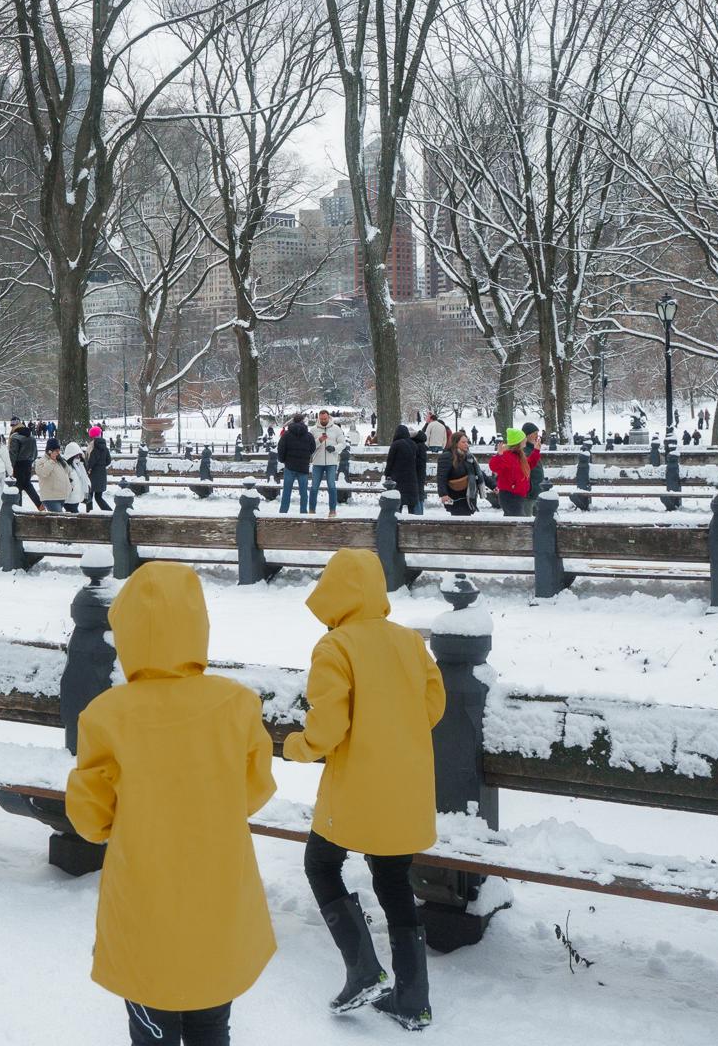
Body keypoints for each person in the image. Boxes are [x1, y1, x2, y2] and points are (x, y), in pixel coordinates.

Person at [64, 562, 276, 1046]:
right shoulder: (236, 704)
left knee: (152, 1025)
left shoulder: (106, 715)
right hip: (218, 895)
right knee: (211, 1025)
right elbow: (255, 790)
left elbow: (91, 818)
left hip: (144, 901)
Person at [283, 549, 444, 1030]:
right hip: (406, 783)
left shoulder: (336, 647)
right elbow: (433, 702)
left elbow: (328, 726)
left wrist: (298, 745)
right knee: (393, 880)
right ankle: (413, 998)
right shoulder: (409, 641)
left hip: (356, 786)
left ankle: (363, 969)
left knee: (321, 863)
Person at [277, 413, 317, 514]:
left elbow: (281, 448)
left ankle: (283, 512)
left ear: (293, 421)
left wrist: (282, 460)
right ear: (303, 422)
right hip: (303, 467)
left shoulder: (286, 435)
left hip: (290, 466)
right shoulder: (308, 435)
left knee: (287, 491)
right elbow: (312, 448)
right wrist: (306, 457)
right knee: (303, 492)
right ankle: (303, 512)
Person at [312, 410, 348, 517]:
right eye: (321, 419)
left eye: (325, 419)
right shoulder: (313, 430)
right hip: (317, 462)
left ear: (329, 418)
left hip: (331, 462)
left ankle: (332, 510)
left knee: (331, 486)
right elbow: (310, 446)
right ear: (319, 418)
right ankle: (312, 510)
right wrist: (319, 440)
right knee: (314, 487)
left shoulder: (336, 429)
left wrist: (334, 448)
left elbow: (343, 443)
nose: (323, 420)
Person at [489, 429, 532, 516]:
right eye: (523, 439)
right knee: (518, 522)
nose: (525, 440)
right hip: (510, 495)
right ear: (518, 442)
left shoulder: (519, 455)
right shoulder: (507, 455)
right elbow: (493, 467)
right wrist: (499, 455)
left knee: (515, 522)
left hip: (518, 495)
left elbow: (528, 467)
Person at [436, 431, 479, 515]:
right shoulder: (447, 456)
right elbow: (441, 477)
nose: (467, 444)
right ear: (455, 443)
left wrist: (493, 486)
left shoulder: (469, 457)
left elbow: (479, 472)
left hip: (467, 495)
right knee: (459, 522)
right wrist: (443, 494)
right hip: (455, 496)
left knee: (465, 521)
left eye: (467, 442)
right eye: (463, 442)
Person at [383, 424, 421, 515]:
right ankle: (412, 524)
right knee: (411, 505)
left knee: (397, 503)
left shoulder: (395, 445)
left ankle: (397, 523)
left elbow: (390, 461)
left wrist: (387, 474)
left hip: (397, 478)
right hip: (411, 478)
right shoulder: (413, 444)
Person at [8, 419, 44, 511]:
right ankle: (39, 504)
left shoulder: (15, 438)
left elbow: (13, 454)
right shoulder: (31, 437)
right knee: (27, 485)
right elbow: (35, 454)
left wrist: (10, 468)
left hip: (18, 465)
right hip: (28, 464)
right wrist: (30, 461)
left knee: (18, 487)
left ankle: (17, 508)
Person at [35, 439, 73, 512]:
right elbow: (43, 473)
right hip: (50, 497)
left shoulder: (60, 461)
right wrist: (51, 460)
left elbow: (68, 472)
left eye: (58, 450)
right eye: (56, 450)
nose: (57, 453)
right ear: (50, 450)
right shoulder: (42, 461)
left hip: (61, 496)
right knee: (58, 520)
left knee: (57, 520)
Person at [85, 426, 111, 512]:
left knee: (89, 496)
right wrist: (101, 466)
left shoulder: (93, 447)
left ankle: (89, 514)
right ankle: (109, 512)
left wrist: (88, 469)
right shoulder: (104, 447)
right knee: (98, 497)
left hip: (92, 474)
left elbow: (91, 460)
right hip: (102, 474)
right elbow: (108, 460)